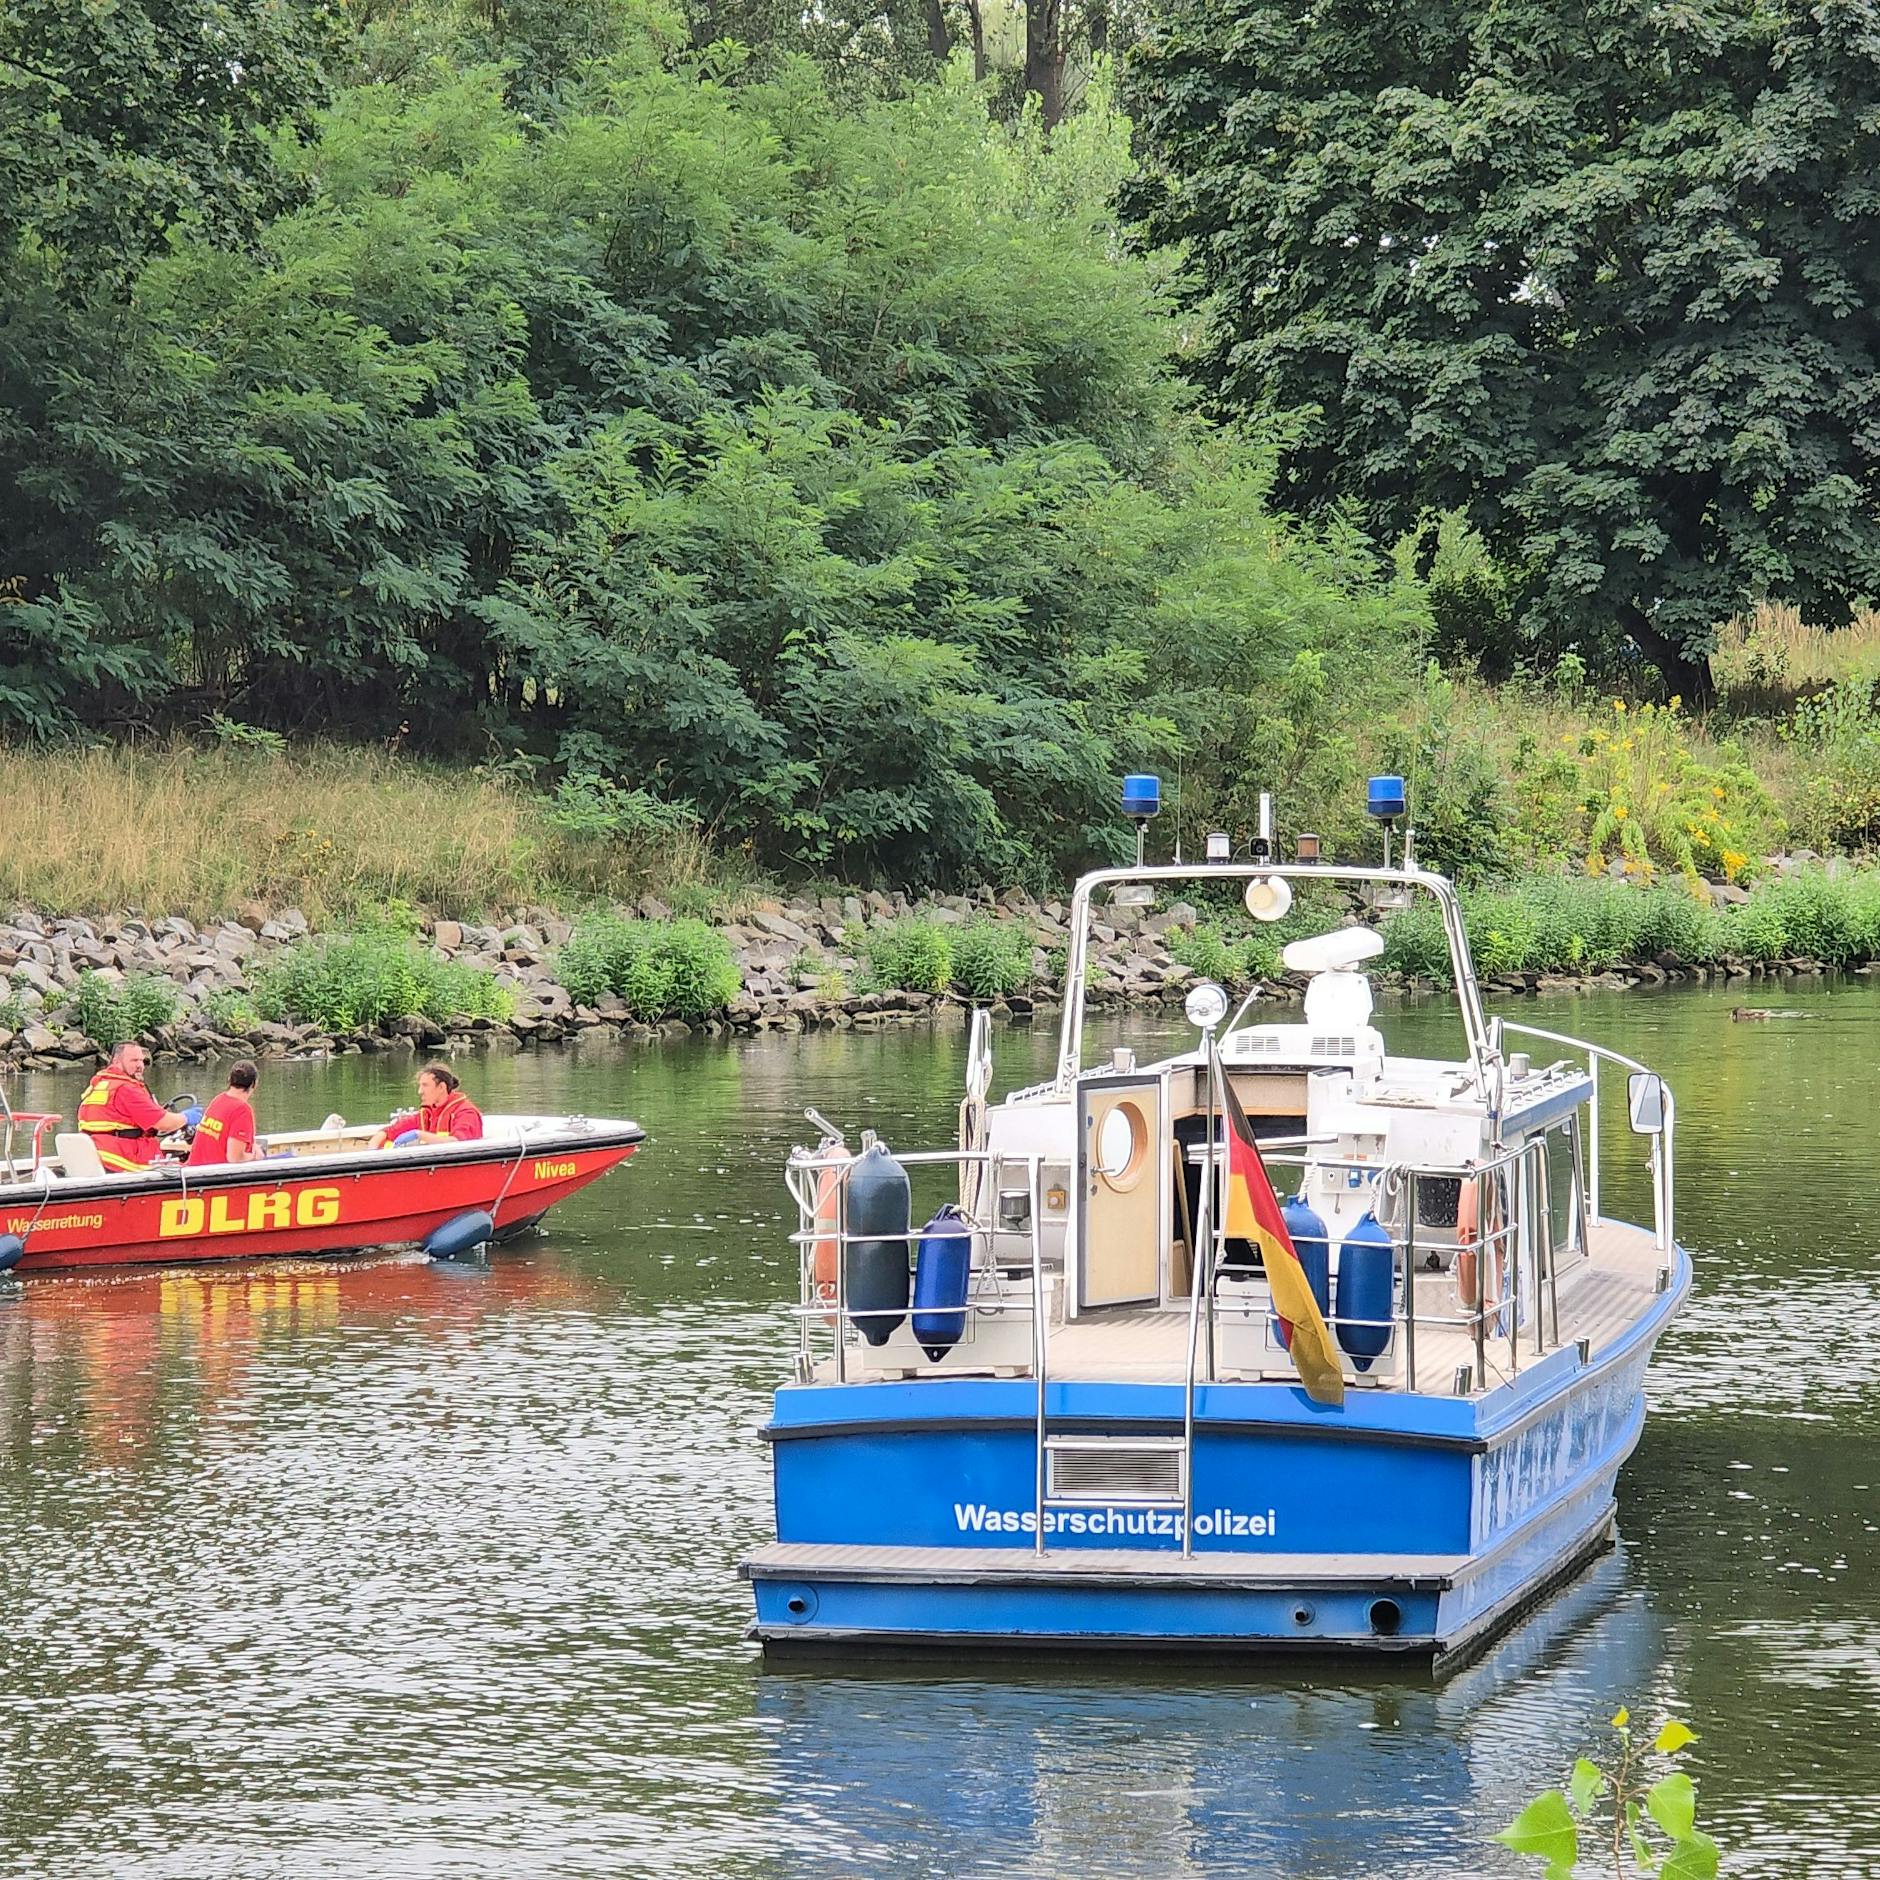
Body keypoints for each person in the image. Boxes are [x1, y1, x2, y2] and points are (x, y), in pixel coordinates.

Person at [76, 1041, 192, 1174]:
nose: (140, 1066)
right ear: (117, 1061)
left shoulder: (99, 1085)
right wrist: (187, 1117)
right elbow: (163, 1123)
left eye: (142, 1061)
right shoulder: (126, 1089)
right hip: (121, 1158)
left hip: (97, 1152)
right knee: (185, 1167)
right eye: (134, 1060)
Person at [371, 1063, 483, 1149]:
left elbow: (458, 1143)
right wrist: (372, 1148)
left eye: (425, 1086)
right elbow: (390, 1131)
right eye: (420, 1086)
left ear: (441, 1087)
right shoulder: (427, 1113)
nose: (420, 1091)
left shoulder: (466, 1113)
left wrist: (419, 1135)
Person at [186, 1061, 260, 1167]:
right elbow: (234, 1158)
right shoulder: (242, 1110)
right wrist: (254, 1156)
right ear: (254, 1084)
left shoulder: (218, 1100)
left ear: (229, 1080)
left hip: (195, 1168)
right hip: (214, 1174)